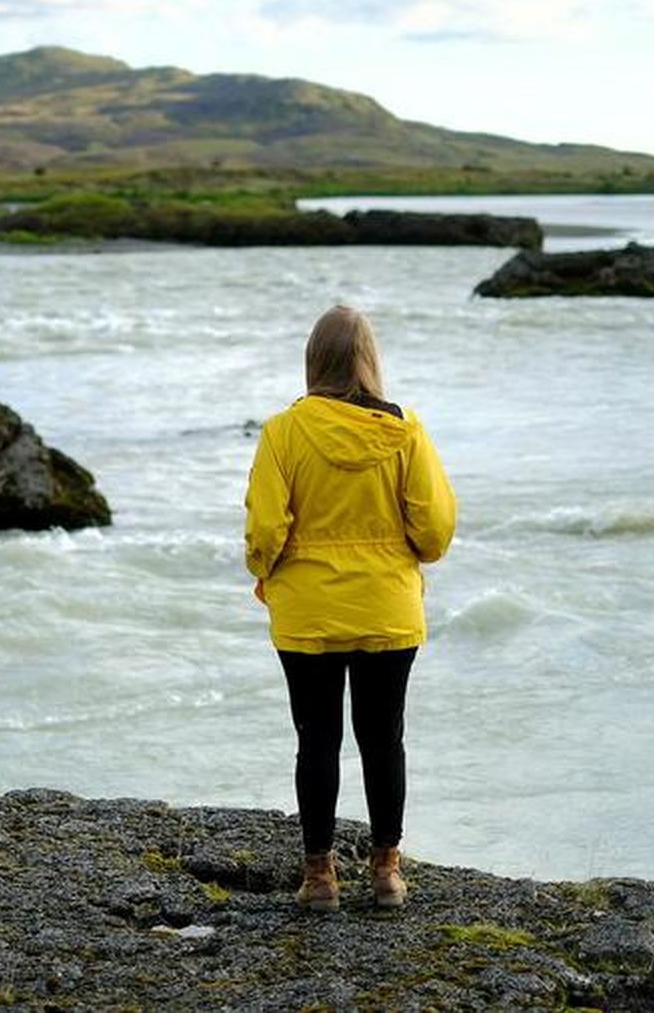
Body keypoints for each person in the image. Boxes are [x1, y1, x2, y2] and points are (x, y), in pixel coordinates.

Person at [244, 304, 456, 912]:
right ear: (370, 360)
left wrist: (265, 571)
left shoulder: (283, 432)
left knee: (316, 739)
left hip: (307, 614)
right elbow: (435, 530)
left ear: (314, 361)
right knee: (383, 739)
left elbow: (265, 530)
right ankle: (386, 872)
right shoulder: (406, 431)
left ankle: (319, 878)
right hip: (388, 611)